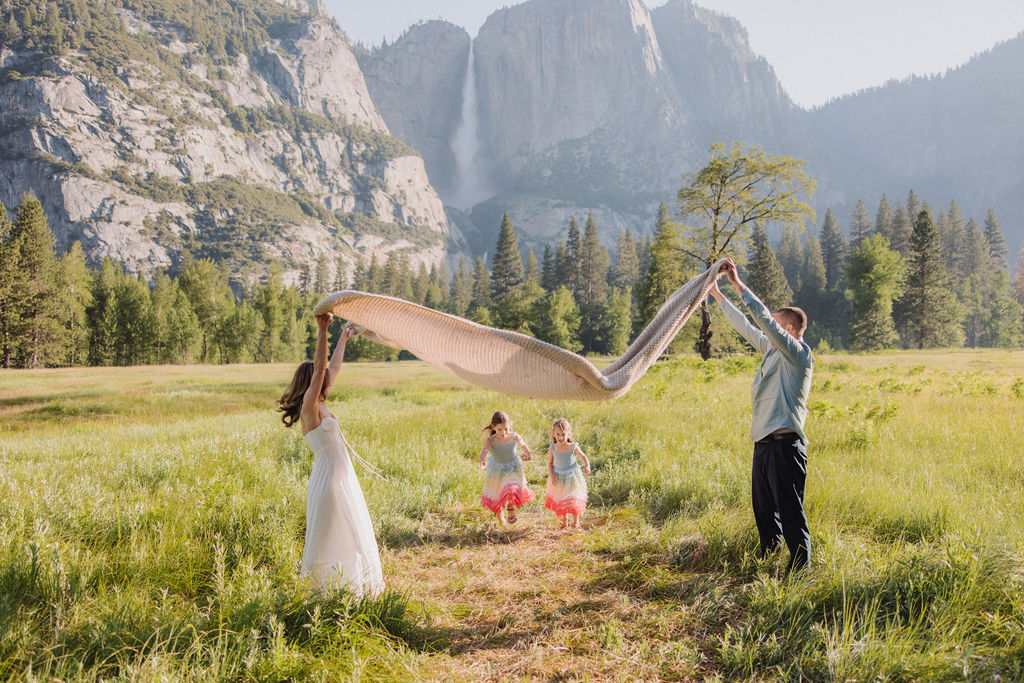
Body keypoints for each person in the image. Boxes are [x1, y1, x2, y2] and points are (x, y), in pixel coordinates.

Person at [708, 258, 814, 571]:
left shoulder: (798, 355)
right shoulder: (771, 350)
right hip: (764, 443)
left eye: (777, 325)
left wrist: (737, 283)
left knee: (790, 511)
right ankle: (767, 559)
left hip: (786, 444)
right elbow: (746, 325)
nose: (770, 329)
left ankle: (799, 571)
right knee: (764, 509)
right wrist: (717, 294)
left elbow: (762, 320)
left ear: (789, 329)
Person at [277, 314, 384, 595]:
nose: (325, 378)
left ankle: (350, 590)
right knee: (331, 537)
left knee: (349, 532)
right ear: (310, 380)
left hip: (341, 478)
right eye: (318, 377)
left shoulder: (321, 401)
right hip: (329, 483)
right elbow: (323, 367)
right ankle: (321, 593)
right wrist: (322, 329)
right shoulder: (309, 407)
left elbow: (332, 366)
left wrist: (344, 336)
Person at [479, 410, 535, 524]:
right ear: (494, 427)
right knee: (497, 494)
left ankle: (510, 511)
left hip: (512, 467)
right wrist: (482, 459)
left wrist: (528, 454)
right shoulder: (491, 440)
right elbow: (484, 450)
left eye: (506, 428)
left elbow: (523, 444)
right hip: (497, 470)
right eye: (500, 429)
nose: (504, 432)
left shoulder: (513, 436)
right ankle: (501, 520)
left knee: (511, 489)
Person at [544, 418, 592, 529]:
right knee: (562, 499)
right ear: (554, 434)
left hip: (572, 477)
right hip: (559, 477)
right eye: (558, 434)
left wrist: (587, 466)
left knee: (574, 498)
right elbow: (550, 464)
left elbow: (583, 456)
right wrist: (552, 476)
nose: (560, 437)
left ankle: (576, 522)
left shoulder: (573, 447)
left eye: (563, 434)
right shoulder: (553, 448)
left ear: (568, 434)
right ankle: (564, 523)